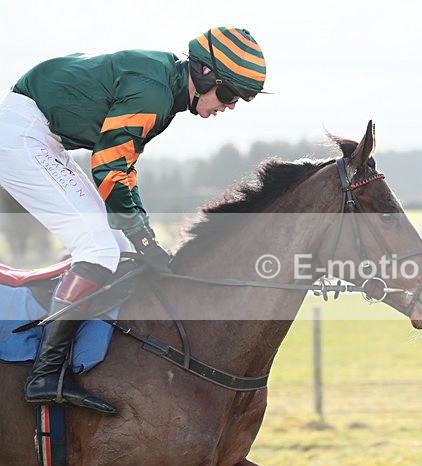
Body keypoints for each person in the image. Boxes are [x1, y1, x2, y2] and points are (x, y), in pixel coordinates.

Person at [0, 27, 267, 415]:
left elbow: (122, 168)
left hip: (40, 132)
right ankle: (46, 373)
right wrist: (144, 235)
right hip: (22, 134)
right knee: (98, 246)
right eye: (228, 94)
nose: (228, 106)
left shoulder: (165, 86)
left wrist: (138, 234)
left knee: (117, 248)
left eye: (238, 100)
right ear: (204, 73)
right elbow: (109, 165)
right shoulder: (155, 93)